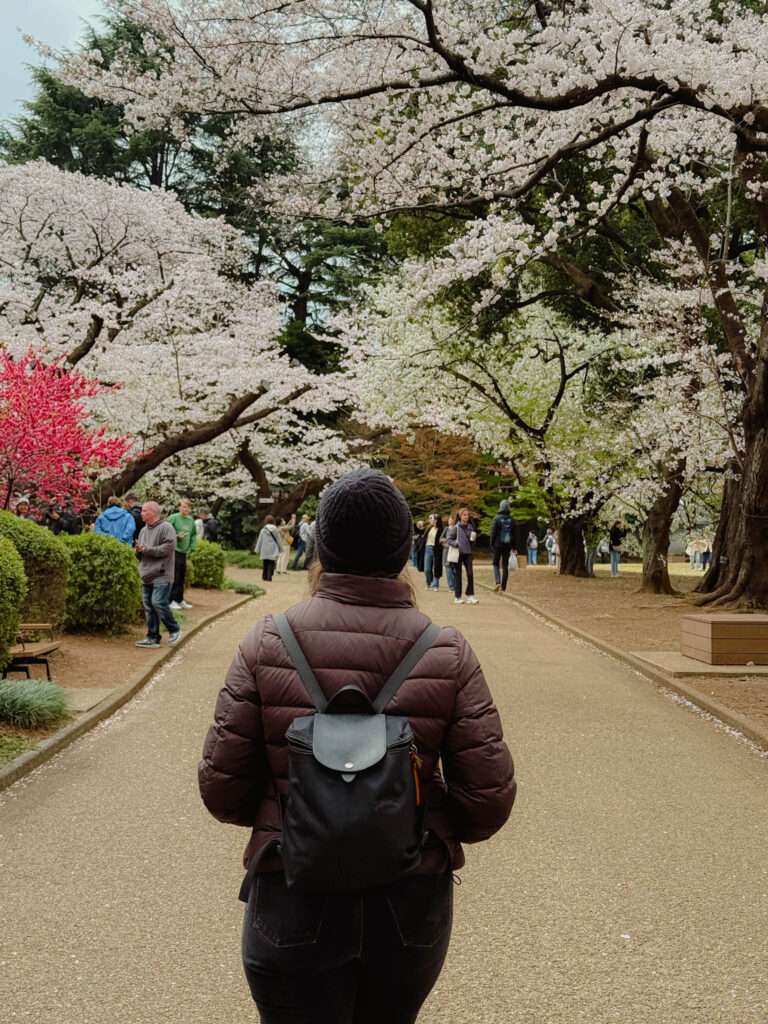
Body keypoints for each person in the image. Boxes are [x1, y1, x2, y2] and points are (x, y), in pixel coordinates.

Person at [199, 468, 516, 1024]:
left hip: (293, 888)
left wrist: (297, 809)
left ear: (322, 545)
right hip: (409, 896)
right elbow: (488, 799)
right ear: (402, 551)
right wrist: (415, 810)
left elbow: (222, 789)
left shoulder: (268, 641)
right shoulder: (446, 651)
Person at [135, 501, 181, 648]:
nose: (141, 513)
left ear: (153, 512)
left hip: (162, 573)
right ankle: (152, 637)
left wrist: (146, 549)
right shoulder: (143, 530)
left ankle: (175, 629)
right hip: (146, 573)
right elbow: (142, 553)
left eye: (144, 511)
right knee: (148, 606)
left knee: (158, 602)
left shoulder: (167, 528)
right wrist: (138, 551)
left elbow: (167, 549)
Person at [168, 499, 198, 610]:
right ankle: (171, 600)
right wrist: (176, 536)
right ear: (179, 508)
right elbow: (165, 531)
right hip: (174, 550)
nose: (185, 509)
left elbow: (194, 535)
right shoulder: (173, 518)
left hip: (184, 552)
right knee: (175, 576)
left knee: (182, 576)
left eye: (187, 507)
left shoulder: (191, 521)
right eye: (183, 507)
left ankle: (179, 599)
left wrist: (192, 547)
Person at [447, 508, 478, 605]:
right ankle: (457, 597)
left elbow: (472, 541)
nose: (466, 517)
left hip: (468, 553)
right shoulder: (456, 528)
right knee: (458, 575)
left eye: (467, 515)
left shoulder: (470, 527)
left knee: (470, 574)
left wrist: (473, 540)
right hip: (458, 554)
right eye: (464, 515)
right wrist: (455, 544)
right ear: (460, 516)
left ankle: (470, 595)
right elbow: (449, 539)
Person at [490, 500, 514, 593]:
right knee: (505, 565)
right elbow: (514, 534)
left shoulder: (496, 518)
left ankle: (497, 582)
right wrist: (514, 546)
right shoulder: (511, 519)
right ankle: (503, 587)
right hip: (507, 545)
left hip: (497, 545)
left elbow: (493, 533)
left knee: (495, 563)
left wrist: (491, 543)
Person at [253, 515, 283, 582]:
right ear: (273, 521)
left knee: (265, 562)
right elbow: (278, 539)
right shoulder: (275, 529)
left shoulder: (263, 530)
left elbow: (260, 540)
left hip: (265, 548)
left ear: (266, 521)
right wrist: (281, 548)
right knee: (271, 562)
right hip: (273, 548)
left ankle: (264, 576)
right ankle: (269, 577)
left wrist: (257, 549)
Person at [423, 513, 444, 591]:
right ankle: (429, 583)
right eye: (430, 518)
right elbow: (424, 538)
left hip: (436, 549)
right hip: (428, 548)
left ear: (437, 520)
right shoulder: (428, 528)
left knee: (436, 567)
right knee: (427, 569)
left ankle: (435, 585)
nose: (431, 520)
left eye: (432, 519)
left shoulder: (441, 529)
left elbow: (443, 539)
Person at [441, 513, 458, 595]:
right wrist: (446, 543)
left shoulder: (457, 529)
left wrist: (450, 542)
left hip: (454, 551)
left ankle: (456, 585)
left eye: (451, 519)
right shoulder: (446, 529)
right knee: (448, 568)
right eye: (448, 520)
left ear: (454, 521)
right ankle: (451, 587)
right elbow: (440, 539)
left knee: (454, 569)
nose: (449, 521)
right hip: (446, 550)